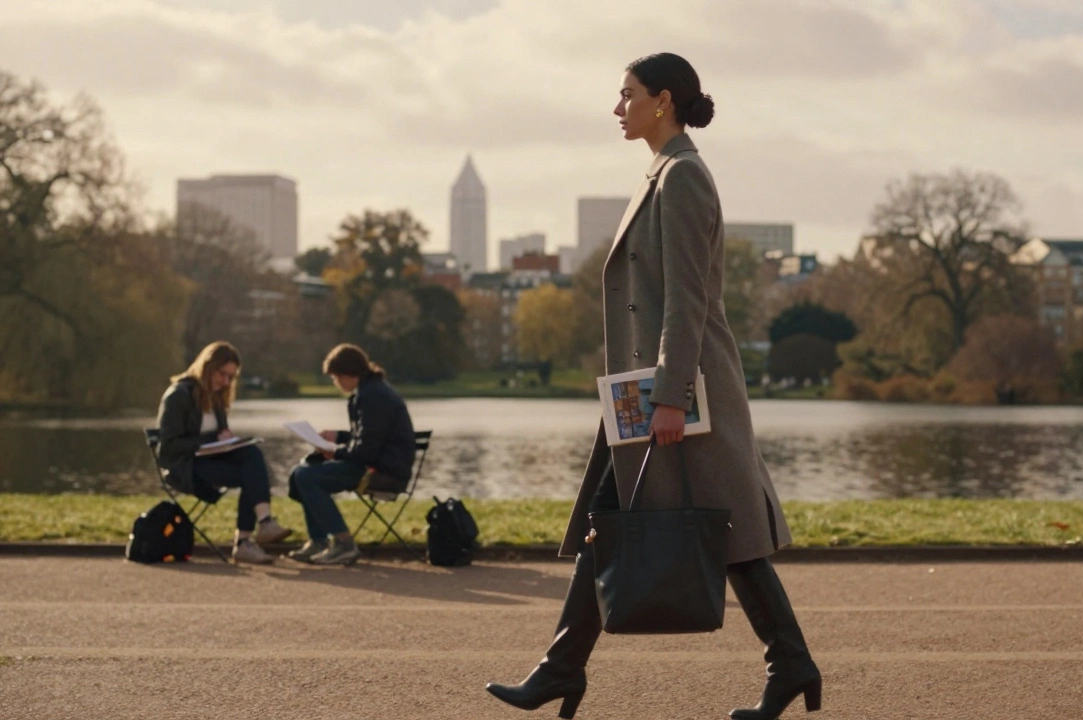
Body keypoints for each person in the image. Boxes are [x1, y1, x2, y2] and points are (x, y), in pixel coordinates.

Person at [485, 53, 821, 720]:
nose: (617, 108)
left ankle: (788, 663)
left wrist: (669, 394)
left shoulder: (684, 178)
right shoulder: (663, 175)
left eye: (627, 94)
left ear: (662, 101)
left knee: (722, 530)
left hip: (680, 389)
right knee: (620, 521)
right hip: (653, 390)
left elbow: (687, 300)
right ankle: (564, 669)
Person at [155, 341, 292, 564]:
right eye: (222, 374)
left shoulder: (216, 395)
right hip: (185, 466)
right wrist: (211, 440)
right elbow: (169, 446)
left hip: (212, 459)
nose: (226, 382)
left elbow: (216, 436)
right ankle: (247, 540)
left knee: (252, 454)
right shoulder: (178, 395)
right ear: (207, 367)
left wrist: (228, 440)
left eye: (231, 377)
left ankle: (264, 523)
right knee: (251, 475)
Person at [286, 344, 415, 566]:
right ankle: (319, 541)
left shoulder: (371, 396)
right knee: (302, 471)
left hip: (383, 472)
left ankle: (343, 543)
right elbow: (368, 438)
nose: (336, 383)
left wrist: (333, 450)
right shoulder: (372, 390)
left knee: (306, 476)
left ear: (346, 374)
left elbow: (366, 450)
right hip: (381, 464)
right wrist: (338, 437)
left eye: (335, 378)